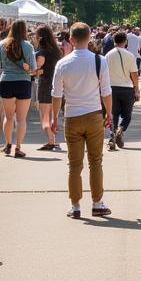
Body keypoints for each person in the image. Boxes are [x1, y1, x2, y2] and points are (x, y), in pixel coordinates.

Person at [51, 22, 113, 220]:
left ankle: (75, 205)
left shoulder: (62, 63)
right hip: (94, 114)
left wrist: (54, 118)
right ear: (89, 38)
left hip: (72, 116)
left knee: (74, 164)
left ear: (71, 39)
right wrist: (108, 114)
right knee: (96, 161)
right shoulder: (99, 61)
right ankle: (97, 203)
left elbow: (56, 95)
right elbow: (106, 92)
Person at [0, 19, 35, 158]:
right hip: (23, 82)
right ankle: (18, 148)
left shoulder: (1, 45)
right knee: (21, 118)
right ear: (24, 30)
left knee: (9, 116)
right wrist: (26, 68)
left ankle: (7, 145)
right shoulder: (28, 46)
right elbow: (33, 69)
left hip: (6, 82)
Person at [107, 31, 140, 150]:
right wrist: (137, 89)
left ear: (114, 41)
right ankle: (121, 129)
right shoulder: (129, 55)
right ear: (125, 41)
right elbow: (134, 74)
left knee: (113, 114)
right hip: (127, 88)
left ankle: (113, 136)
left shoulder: (108, 55)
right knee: (127, 114)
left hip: (112, 88)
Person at [34, 25, 63, 152]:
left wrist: (31, 71)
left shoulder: (42, 52)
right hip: (56, 84)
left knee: (44, 115)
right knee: (52, 114)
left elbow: (39, 69)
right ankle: (53, 140)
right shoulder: (57, 51)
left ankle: (51, 140)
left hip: (45, 84)